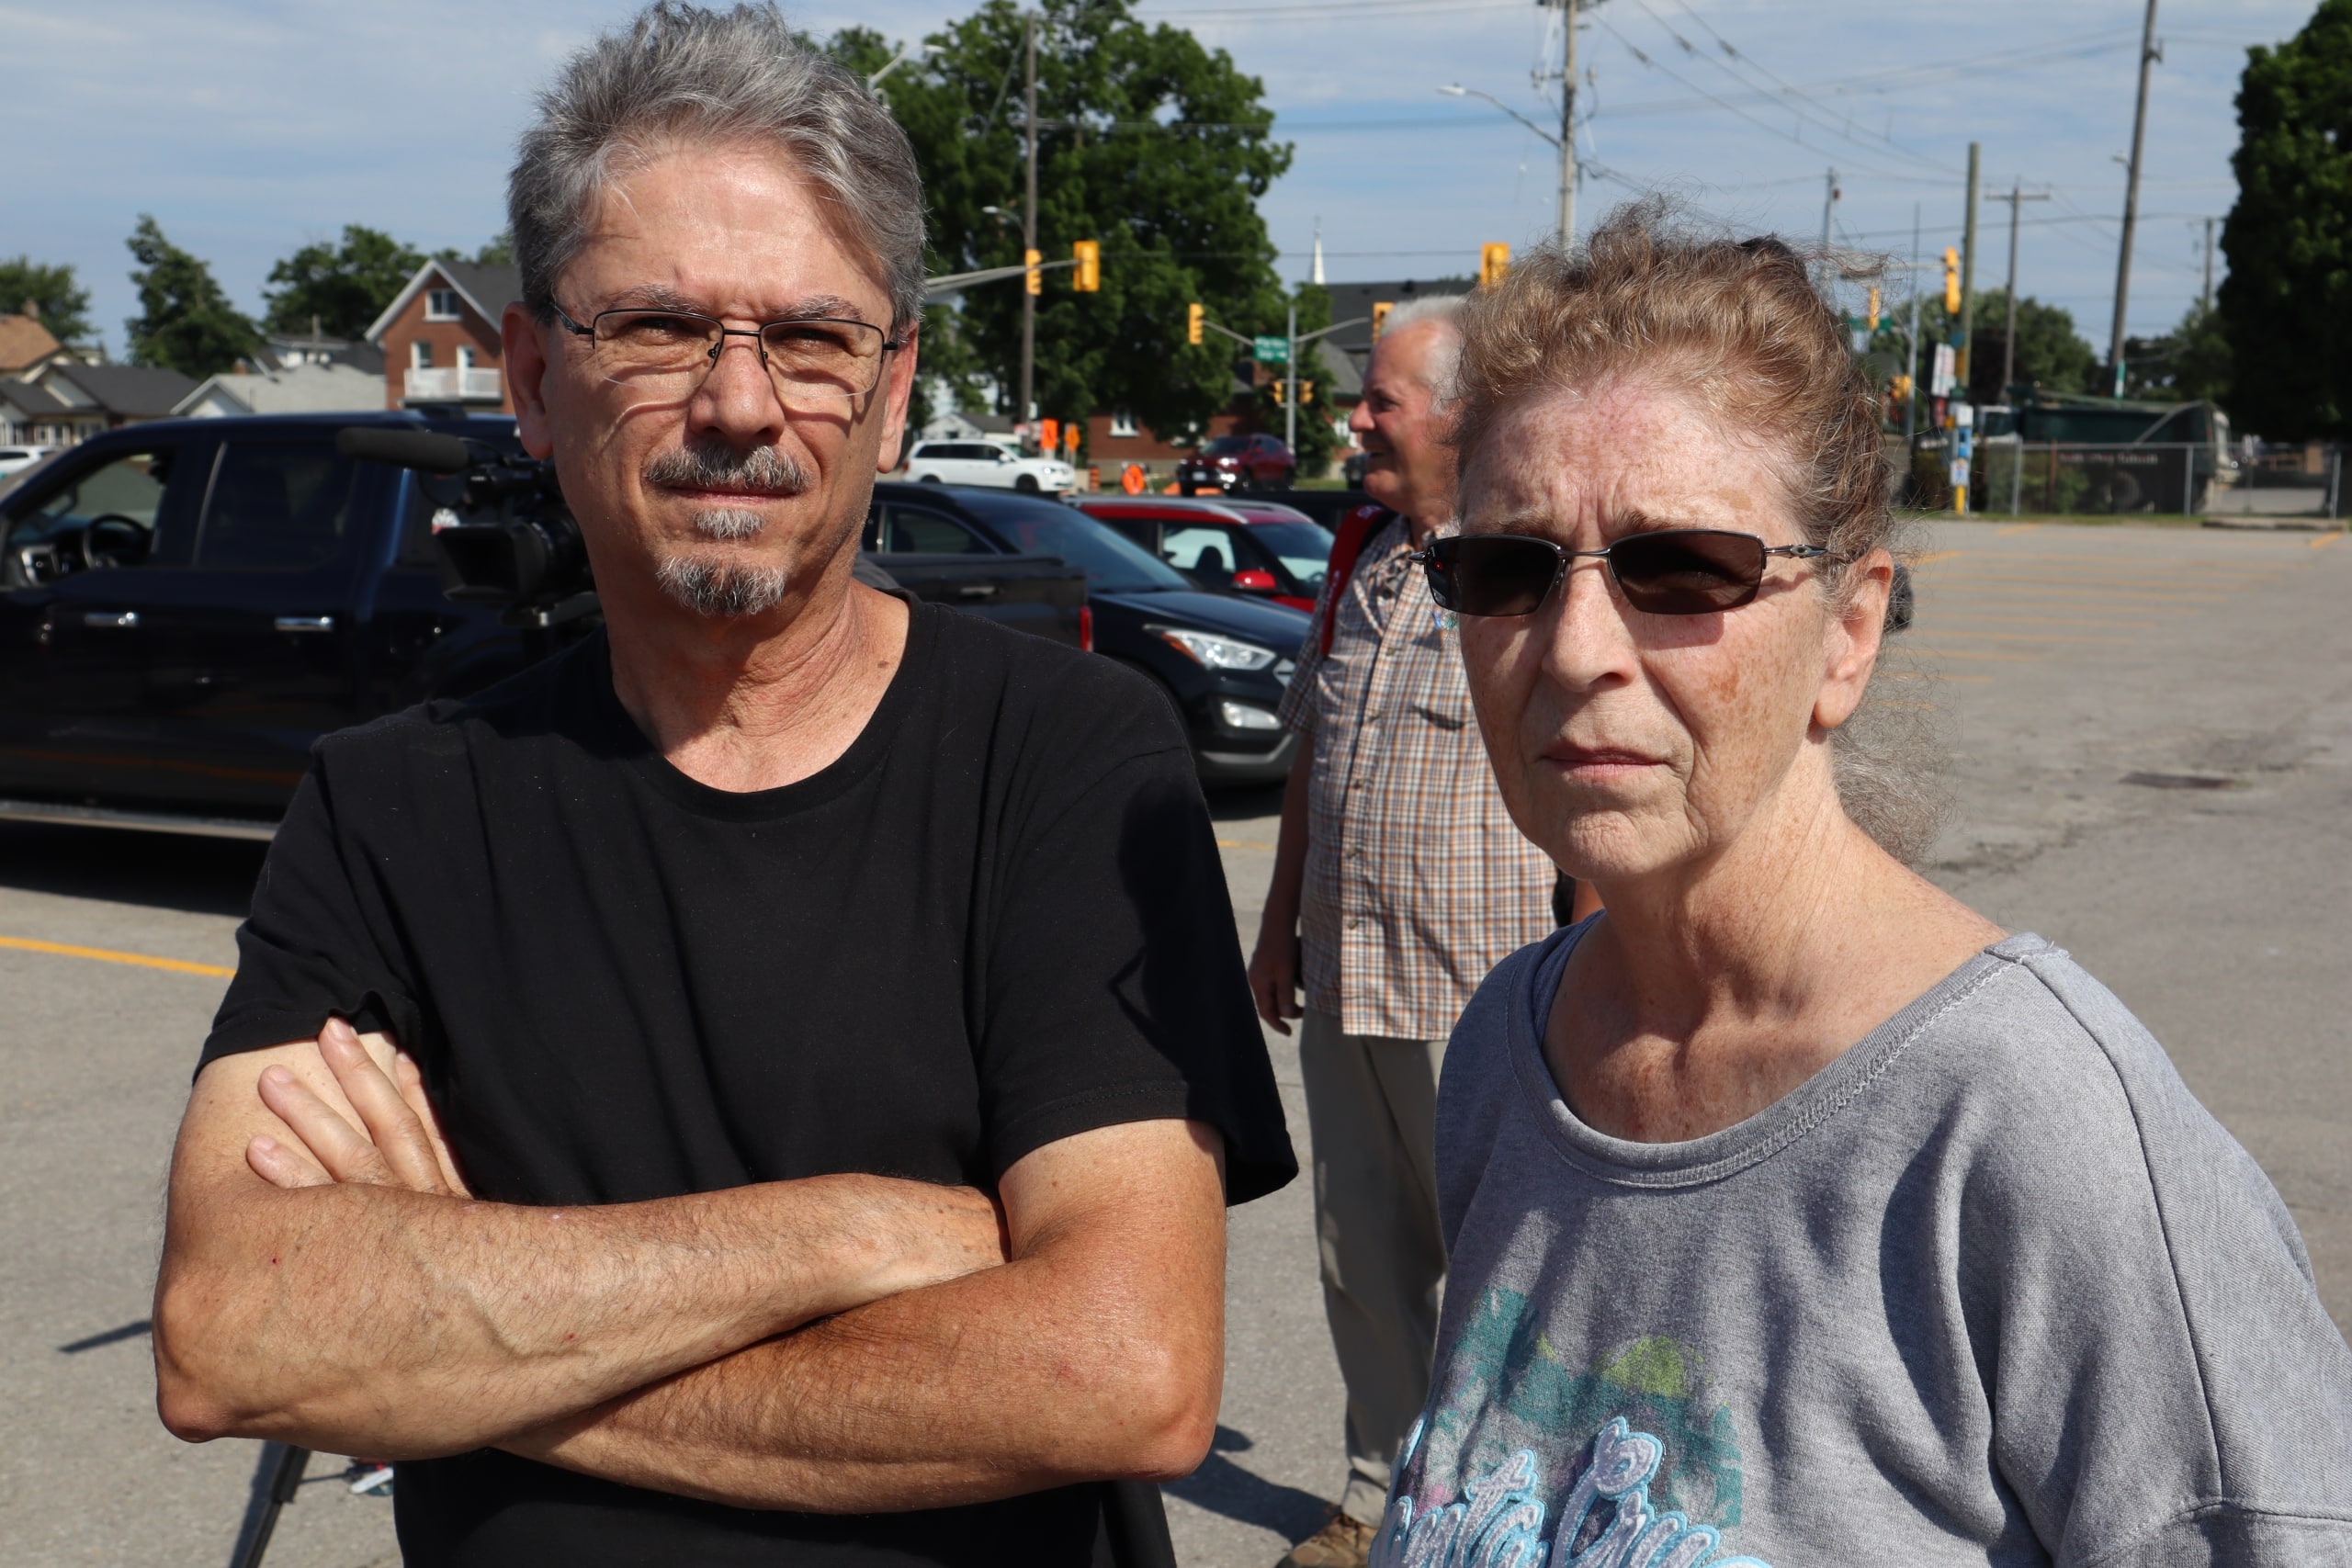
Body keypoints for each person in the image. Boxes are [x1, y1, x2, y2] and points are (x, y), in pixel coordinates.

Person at [150, 6, 1295, 1565]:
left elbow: (1122, 1375)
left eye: (813, 339)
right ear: (536, 378)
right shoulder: (391, 808)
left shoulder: (1070, 760)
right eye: (660, 329)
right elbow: (234, 1333)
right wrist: (854, 1231)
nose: (741, 405)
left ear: (892, 394)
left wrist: (464, 1343)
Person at [1377, 209, 2352, 1565]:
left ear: (1849, 632)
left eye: (1680, 567)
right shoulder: (1508, 1049)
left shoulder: (2026, 1122)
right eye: (1506, 569)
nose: (1574, 647)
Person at [1247, 297, 1560, 1568]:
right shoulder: (1362, 558)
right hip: (1352, 979)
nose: (1356, 419)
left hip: (1480, 995)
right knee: (1359, 1259)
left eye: (1380, 400)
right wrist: (1279, 927)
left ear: (1462, 417)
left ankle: (1500, 1509)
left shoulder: (1529, 566)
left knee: (1503, 1287)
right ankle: (1377, 1495)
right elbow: (1317, 748)